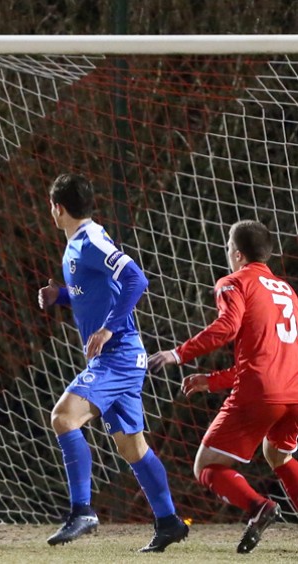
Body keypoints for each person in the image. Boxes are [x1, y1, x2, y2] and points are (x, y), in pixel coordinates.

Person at [37, 174, 188, 552]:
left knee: (63, 417)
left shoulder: (90, 241)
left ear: (57, 208)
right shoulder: (78, 245)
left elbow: (136, 278)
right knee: (132, 447)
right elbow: (99, 292)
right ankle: (169, 521)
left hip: (118, 356)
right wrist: (60, 296)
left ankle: (82, 511)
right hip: (122, 356)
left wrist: (107, 329)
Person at [149, 220, 298, 554]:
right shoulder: (287, 291)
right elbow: (267, 358)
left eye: (229, 247)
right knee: (277, 453)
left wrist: (178, 353)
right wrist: (212, 381)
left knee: (206, 466)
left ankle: (260, 507)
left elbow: (226, 328)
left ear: (238, 254)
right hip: (294, 392)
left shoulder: (234, 282)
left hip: (260, 394)